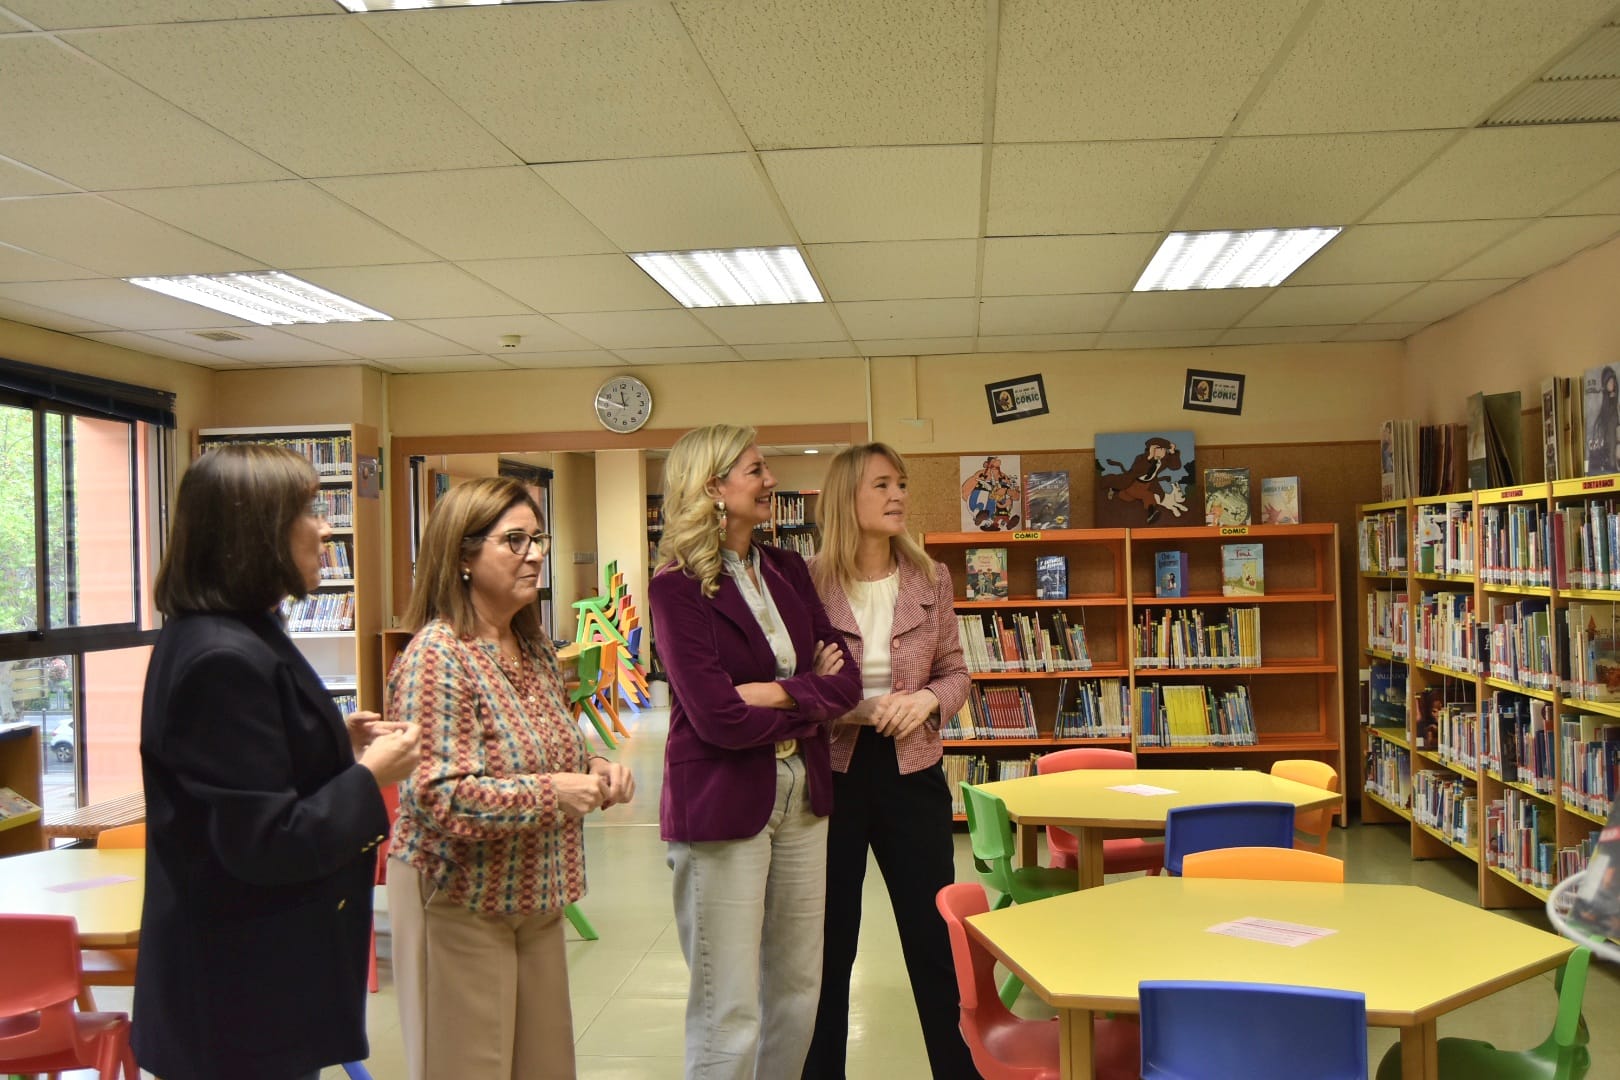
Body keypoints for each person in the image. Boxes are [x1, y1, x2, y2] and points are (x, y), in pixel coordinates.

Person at [134, 444, 421, 1080]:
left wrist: (333, 743)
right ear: (256, 533)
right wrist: (371, 776)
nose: (326, 530)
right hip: (238, 1002)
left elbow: (242, 771)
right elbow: (266, 842)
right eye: (308, 513)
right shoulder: (222, 657)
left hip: (248, 986)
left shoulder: (229, 632)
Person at [386, 476, 634, 1080]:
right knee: (468, 1065)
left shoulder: (533, 645)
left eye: (537, 539)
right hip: (459, 896)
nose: (535, 554)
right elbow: (439, 795)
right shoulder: (437, 656)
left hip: (535, 894)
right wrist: (556, 793)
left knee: (546, 1065)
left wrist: (595, 769)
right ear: (463, 557)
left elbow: (553, 748)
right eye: (514, 540)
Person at [649, 423, 863, 1079]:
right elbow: (717, 717)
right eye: (756, 470)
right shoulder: (676, 588)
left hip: (803, 795)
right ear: (713, 486)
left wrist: (772, 694)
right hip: (722, 801)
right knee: (729, 1007)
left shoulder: (789, 569)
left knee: (798, 992)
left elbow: (847, 682)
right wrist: (807, 700)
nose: (771, 481)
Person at [802, 443, 977, 1079]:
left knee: (935, 939)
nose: (898, 495)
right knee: (828, 945)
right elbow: (795, 688)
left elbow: (956, 671)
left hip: (913, 771)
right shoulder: (806, 583)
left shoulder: (931, 577)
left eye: (900, 483)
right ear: (846, 496)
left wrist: (928, 699)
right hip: (835, 774)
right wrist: (850, 708)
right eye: (881, 485)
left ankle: (959, 1070)